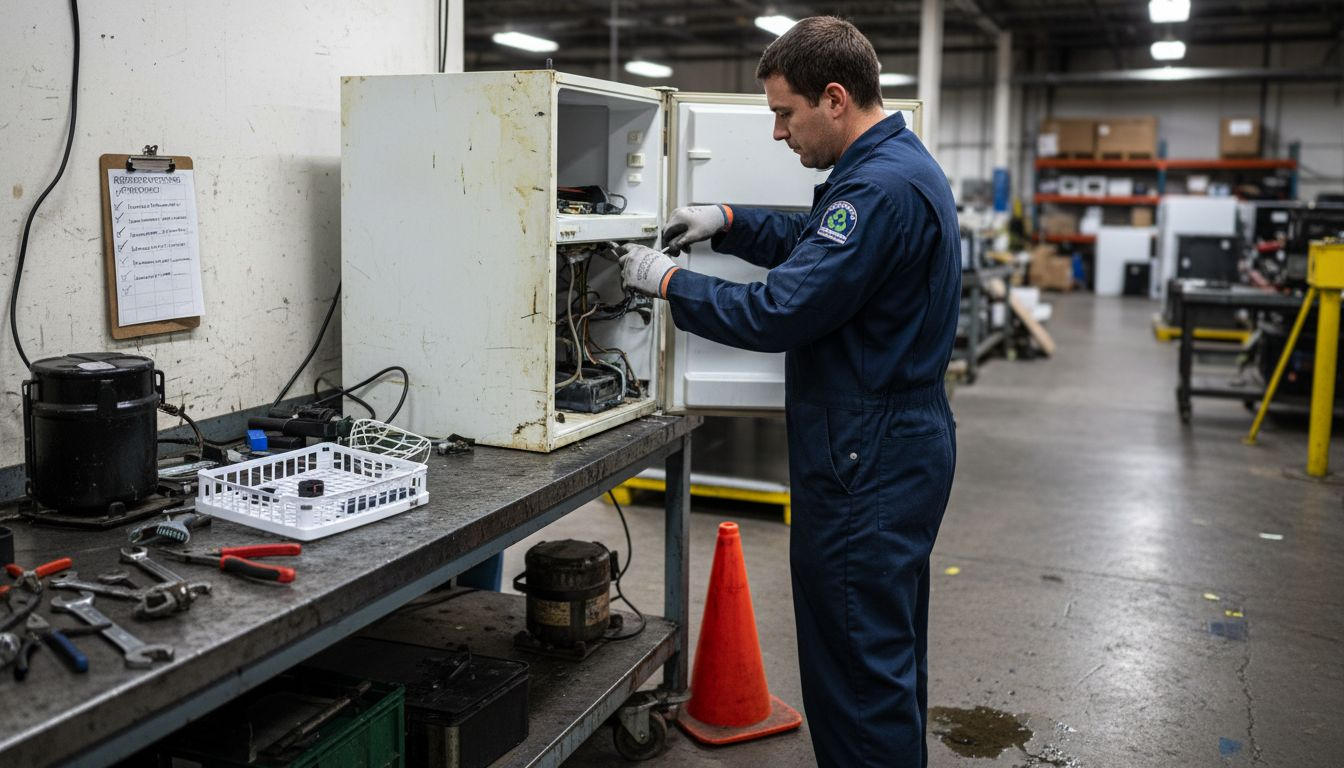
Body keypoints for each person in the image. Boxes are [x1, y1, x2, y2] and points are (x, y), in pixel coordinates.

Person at [615, 16, 960, 768]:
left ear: (834, 99)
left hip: (864, 455)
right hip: (896, 441)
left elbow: (782, 310)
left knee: (856, 669)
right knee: (883, 655)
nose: (777, 133)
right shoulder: (894, 168)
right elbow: (819, 240)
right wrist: (728, 222)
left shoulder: (875, 189)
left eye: (783, 112)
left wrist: (666, 279)